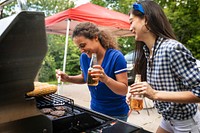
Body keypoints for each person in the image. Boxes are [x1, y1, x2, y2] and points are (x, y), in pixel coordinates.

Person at [128, 1, 200, 133]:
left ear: (146, 20)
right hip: (167, 119)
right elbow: (161, 90)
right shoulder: (147, 52)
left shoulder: (172, 48)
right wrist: (143, 93)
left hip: (186, 123)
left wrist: (155, 94)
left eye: (131, 21)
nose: (130, 27)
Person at [56, 22, 129, 121]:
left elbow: (123, 90)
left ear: (95, 38)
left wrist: (106, 79)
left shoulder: (116, 57)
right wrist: (68, 78)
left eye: (83, 45)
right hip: (95, 110)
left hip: (116, 114)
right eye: (79, 47)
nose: (82, 50)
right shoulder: (84, 57)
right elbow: (84, 78)